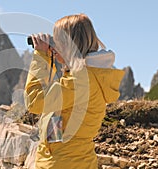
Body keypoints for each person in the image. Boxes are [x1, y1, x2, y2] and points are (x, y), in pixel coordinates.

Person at [24, 14, 125, 169]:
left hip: (64, 163)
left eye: (58, 40)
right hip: (75, 160)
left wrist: (41, 56)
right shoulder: (87, 76)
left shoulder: (79, 82)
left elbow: (35, 101)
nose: (54, 44)